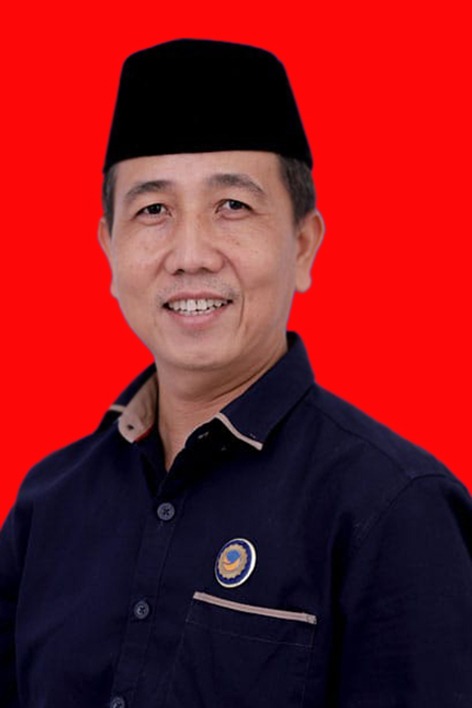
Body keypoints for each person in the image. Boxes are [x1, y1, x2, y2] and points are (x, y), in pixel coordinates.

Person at [0, 38, 471, 708]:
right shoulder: (48, 504)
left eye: (233, 206)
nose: (190, 254)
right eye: (153, 210)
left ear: (303, 246)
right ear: (108, 248)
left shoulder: (394, 510)